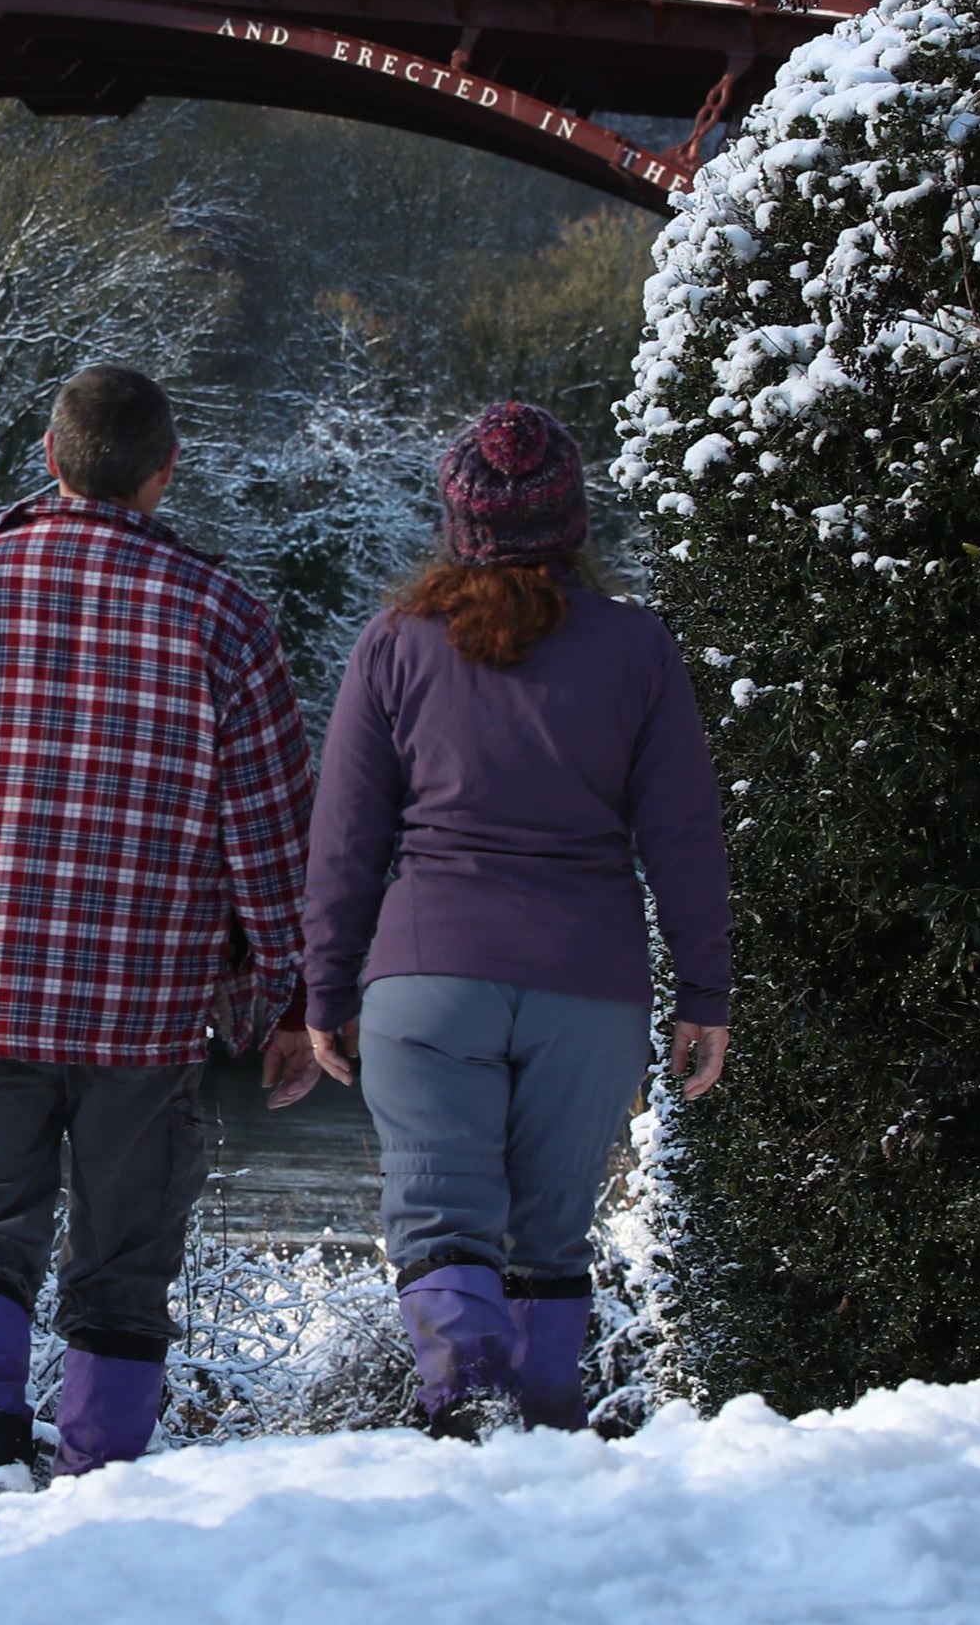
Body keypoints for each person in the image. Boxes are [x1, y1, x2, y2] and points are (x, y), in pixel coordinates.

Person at [0, 364, 316, 1491]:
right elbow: (274, 832)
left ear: (50, 455)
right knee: (127, 1258)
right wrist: (284, 997)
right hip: (148, 999)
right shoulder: (227, 619)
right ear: (163, 472)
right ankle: (103, 1488)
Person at [299, 400, 732, 1437]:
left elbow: (346, 836)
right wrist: (705, 990)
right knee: (550, 1240)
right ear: (573, 518)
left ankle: (467, 1406)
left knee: (442, 1223)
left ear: (459, 523)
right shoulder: (639, 650)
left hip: (427, 973)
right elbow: (684, 834)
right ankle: (540, 1446)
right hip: (590, 984)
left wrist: (324, 986)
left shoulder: (395, 645)